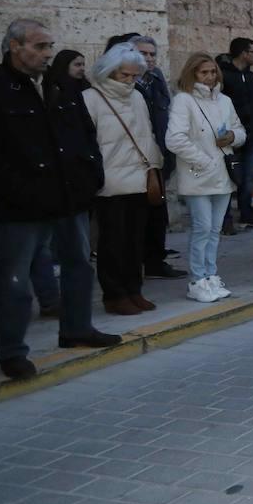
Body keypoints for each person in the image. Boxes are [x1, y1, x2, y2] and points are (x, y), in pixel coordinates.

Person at [0, 19, 121, 379]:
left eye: (50, 45)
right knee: (14, 279)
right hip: (23, 207)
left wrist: (91, 175)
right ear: (14, 47)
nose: (47, 53)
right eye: (39, 46)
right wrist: (17, 190)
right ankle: (12, 352)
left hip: (70, 198)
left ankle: (77, 328)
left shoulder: (60, 87)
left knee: (79, 265)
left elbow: (84, 132)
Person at [84, 43, 164, 316]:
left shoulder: (138, 98)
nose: (130, 81)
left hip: (140, 179)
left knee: (135, 241)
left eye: (134, 76)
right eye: (124, 75)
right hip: (110, 182)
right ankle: (114, 294)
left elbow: (148, 135)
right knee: (112, 243)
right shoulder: (90, 99)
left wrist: (153, 166)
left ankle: (133, 289)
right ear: (109, 72)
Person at [166, 52, 246, 302]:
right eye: (204, 72)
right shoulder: (183, 101)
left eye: (213, 72)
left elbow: (241, 130)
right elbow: (174, 139)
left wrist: (233, 137)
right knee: (201, 228)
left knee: (215, 228)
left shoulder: (225, 100)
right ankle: (197, 279)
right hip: (198, 173)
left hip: (223, 172)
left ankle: (211, 274)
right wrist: (204, 160)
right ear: (193, 74)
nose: (210, 77)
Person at [123, 36, 186, 281]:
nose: (148, 59)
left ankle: (155, 261)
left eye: (151, 54)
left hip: (159, 155)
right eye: (142, 53)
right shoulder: (126, 83)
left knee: (158, 214)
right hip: (137, 159)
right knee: (136, 218)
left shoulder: (157, 78)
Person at [219, 37, 253, 229]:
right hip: (230, 134)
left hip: (251, 133)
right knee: (227, 175)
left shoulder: (252, 77)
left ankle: (247, 212)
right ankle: (225, 218)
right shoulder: (224, 75)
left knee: (248, 176)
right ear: (243, 53)